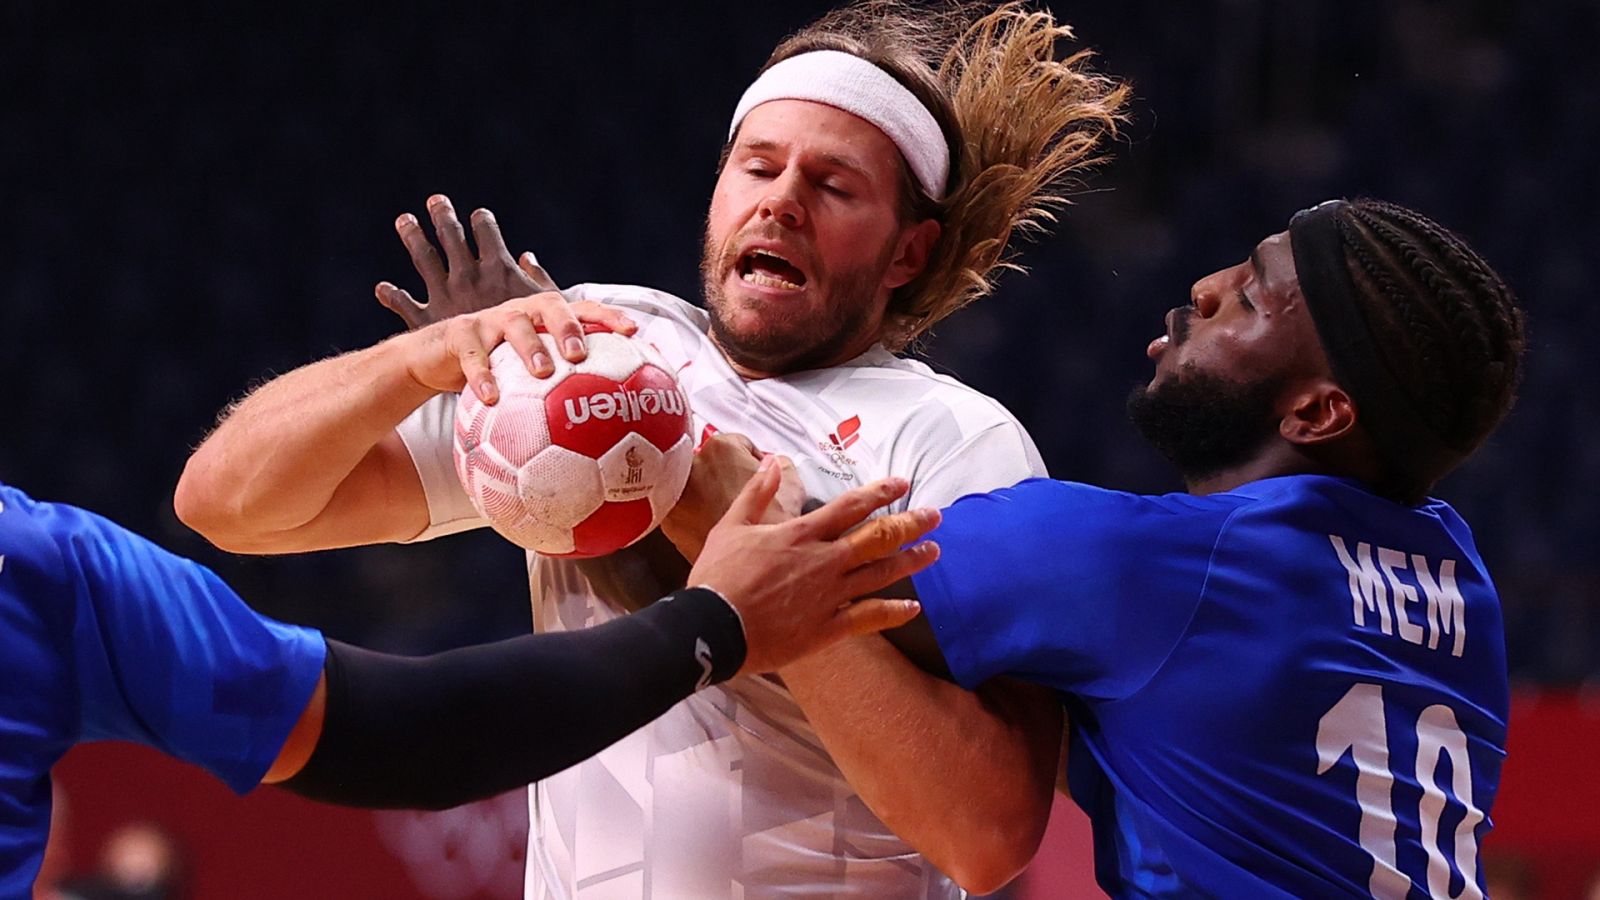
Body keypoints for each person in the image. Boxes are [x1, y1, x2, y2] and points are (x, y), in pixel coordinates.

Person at [174, 2, 1127, 895]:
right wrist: (418, 361)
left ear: (908, 253)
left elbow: (988, 837)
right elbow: (229, 506)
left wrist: (715, 520)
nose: (782, 202)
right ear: (717, 191)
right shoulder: (603, 349)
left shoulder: (957, 440)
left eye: (833, 186)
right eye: (758, 168)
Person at [836, 197, 1521, 898]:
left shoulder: (1160, 565)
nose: (1206, 289)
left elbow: (815, 575)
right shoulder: (1463, 586)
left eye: (1250, 300)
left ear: (1317, 412)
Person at [0, 467, 937, 897]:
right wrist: (713, 626)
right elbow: (402, 737)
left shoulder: (40, 571)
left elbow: (403, 731)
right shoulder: (37, 567)